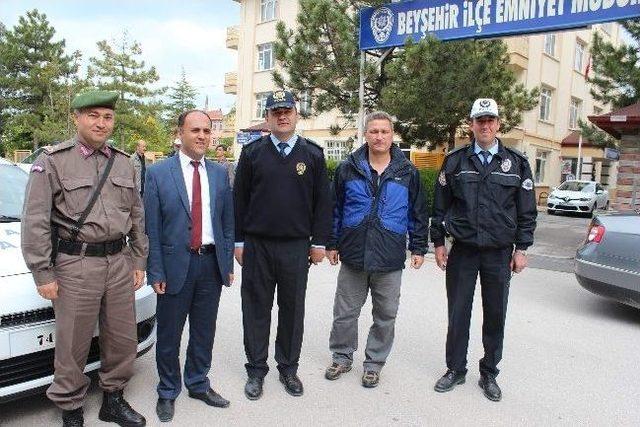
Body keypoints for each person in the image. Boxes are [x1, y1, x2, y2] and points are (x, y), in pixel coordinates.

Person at [21, 90, 148, 427]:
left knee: (122, 338)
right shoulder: (52, 161)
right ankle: (71, 407)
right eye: (93, 115)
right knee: (73, 342)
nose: (101, 123)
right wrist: (42, 272)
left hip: (119, 261)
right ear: (76, 118)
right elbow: (35, 220)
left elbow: (136, 215)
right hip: (75, 264)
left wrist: (139, 259)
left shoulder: (122, 162)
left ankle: (113, 399)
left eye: (107, 117)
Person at [430, 98, 537, 402]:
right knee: (458, 312)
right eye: (480, 120)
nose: (485, 125)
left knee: (495, 315)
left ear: (499, 124)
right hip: (463, 250)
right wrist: (438, 242)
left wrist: (522, 248)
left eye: (491, 120)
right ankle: (455, 369)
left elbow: (526, 211)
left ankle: (489, 373)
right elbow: (440, 207)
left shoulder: (516, 162)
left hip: (498, 253)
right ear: (471, 124)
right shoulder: (455, 161)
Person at [234, 90, 332, 400]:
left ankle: (288, 368)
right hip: (257, 245)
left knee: (292, 309)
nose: (282, 116)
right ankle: (256, 370)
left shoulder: (313, 154)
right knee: (256, 308)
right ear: (268, 117)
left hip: (296, 247)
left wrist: (319, 243)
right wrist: (238, 242)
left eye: (287, 110)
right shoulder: (252, 154)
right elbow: (239, 201)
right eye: (276, 111)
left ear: (296, 113)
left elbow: (323, 204)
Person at [325, 111, 429, 388]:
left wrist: (419, 247)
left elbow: (417, 213)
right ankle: (341, 357)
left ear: (392, 134)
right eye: (374, 131)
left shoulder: (407, 172)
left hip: (389, 256)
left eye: (384, 131)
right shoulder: (348, 168)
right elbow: (334, 209)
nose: (379, 136)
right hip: (354, 254)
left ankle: (374, 363)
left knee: (385, 315)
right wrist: (332, 243)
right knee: (345, 312)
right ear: (365, 134)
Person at [144, 110, 234, 422]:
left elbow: (226, 222)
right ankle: (168, 390)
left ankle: (198, 382)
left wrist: (227, 263)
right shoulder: (158, 173)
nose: (201, 136)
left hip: (210, 264)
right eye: (195, 130)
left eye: (207, 131)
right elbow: (150, 228)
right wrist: (155, 270)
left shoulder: (220, 173)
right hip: (173, 267)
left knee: (204, 331)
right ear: (180, 133)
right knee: (169, 334)